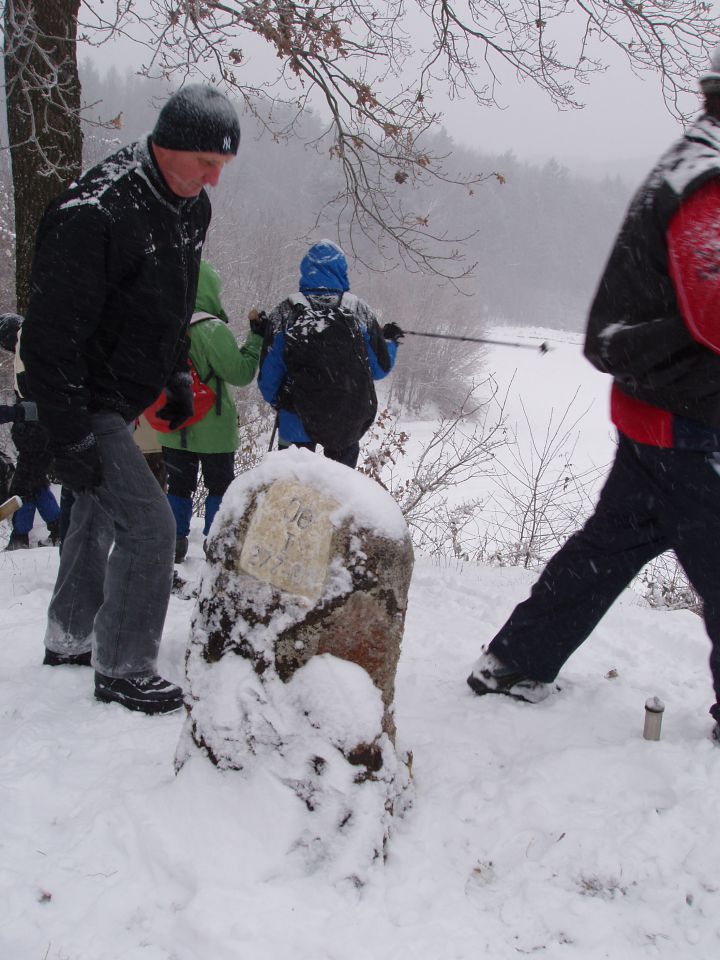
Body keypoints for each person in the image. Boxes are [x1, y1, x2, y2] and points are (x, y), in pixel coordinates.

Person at [467, 47, 720, 741]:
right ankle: (516, 661)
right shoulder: (708, 181)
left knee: (606, 548)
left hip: (662, 409)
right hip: (690, 419)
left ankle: (516, 661)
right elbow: (713, 307)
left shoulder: (692, 161)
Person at [20, 84, 240, 714]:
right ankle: (122, 666)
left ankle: (69, 636)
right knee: (149, 525)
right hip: (81, 393)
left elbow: (171, 302)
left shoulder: (189, 205)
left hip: (125, 390)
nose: (213, 180)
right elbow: (49, 339)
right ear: (168, 146)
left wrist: (173, 371)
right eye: (206, 163)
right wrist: (72, 438)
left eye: (221, 168)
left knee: (91, 513)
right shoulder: (94, 212)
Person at [258, 239, 402, 469]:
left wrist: (282, 402)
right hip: (346, 421)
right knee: (337, 495)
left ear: (306, 269)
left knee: (293, 494)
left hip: (295, 420)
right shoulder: (359, 310)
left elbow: (268, 378)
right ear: (342, 270)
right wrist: (390, 342)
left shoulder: (286, 311)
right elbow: (379, 368)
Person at [157, 260, 263, 563]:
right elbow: (240, 373)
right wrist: (255, 339)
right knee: (219, 487)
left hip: (176, 425)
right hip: (214, 427)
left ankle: (174, 545)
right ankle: (215, 544)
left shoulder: (167, 324)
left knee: (178, 486)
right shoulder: (212, 329)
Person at [0, 313, 60, 549]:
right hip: (35, 433)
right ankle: (57, 526)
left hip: (36, 433)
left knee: (22, 487)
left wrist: (17, 413)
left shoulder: (30, 353)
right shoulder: (37, 352)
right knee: (36, 483)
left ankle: (20, 536)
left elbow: (36, 401)